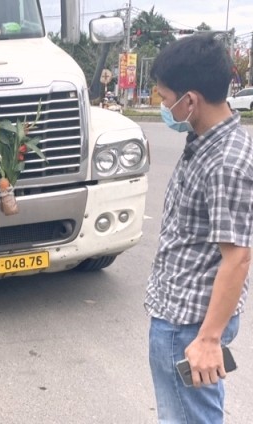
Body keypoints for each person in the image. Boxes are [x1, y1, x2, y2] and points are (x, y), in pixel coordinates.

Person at [146, 34, 253, 423]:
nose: (161, 105)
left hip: (189, 328)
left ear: (189, 100)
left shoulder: (225, 162)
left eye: (163, 96)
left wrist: (208, 340)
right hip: (182, 317)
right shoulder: (203, 140)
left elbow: (238, 256)